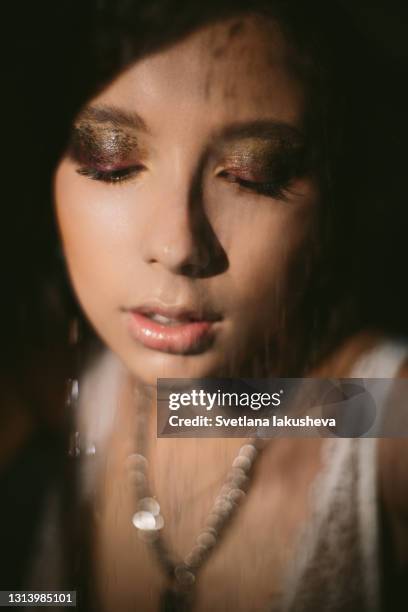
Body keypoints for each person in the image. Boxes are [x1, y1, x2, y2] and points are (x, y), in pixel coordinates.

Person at [2, 1, 408, 611]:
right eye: (112, 161)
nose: (178, 245)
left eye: (252, 175)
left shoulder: (381, 422)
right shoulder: (53, 384)